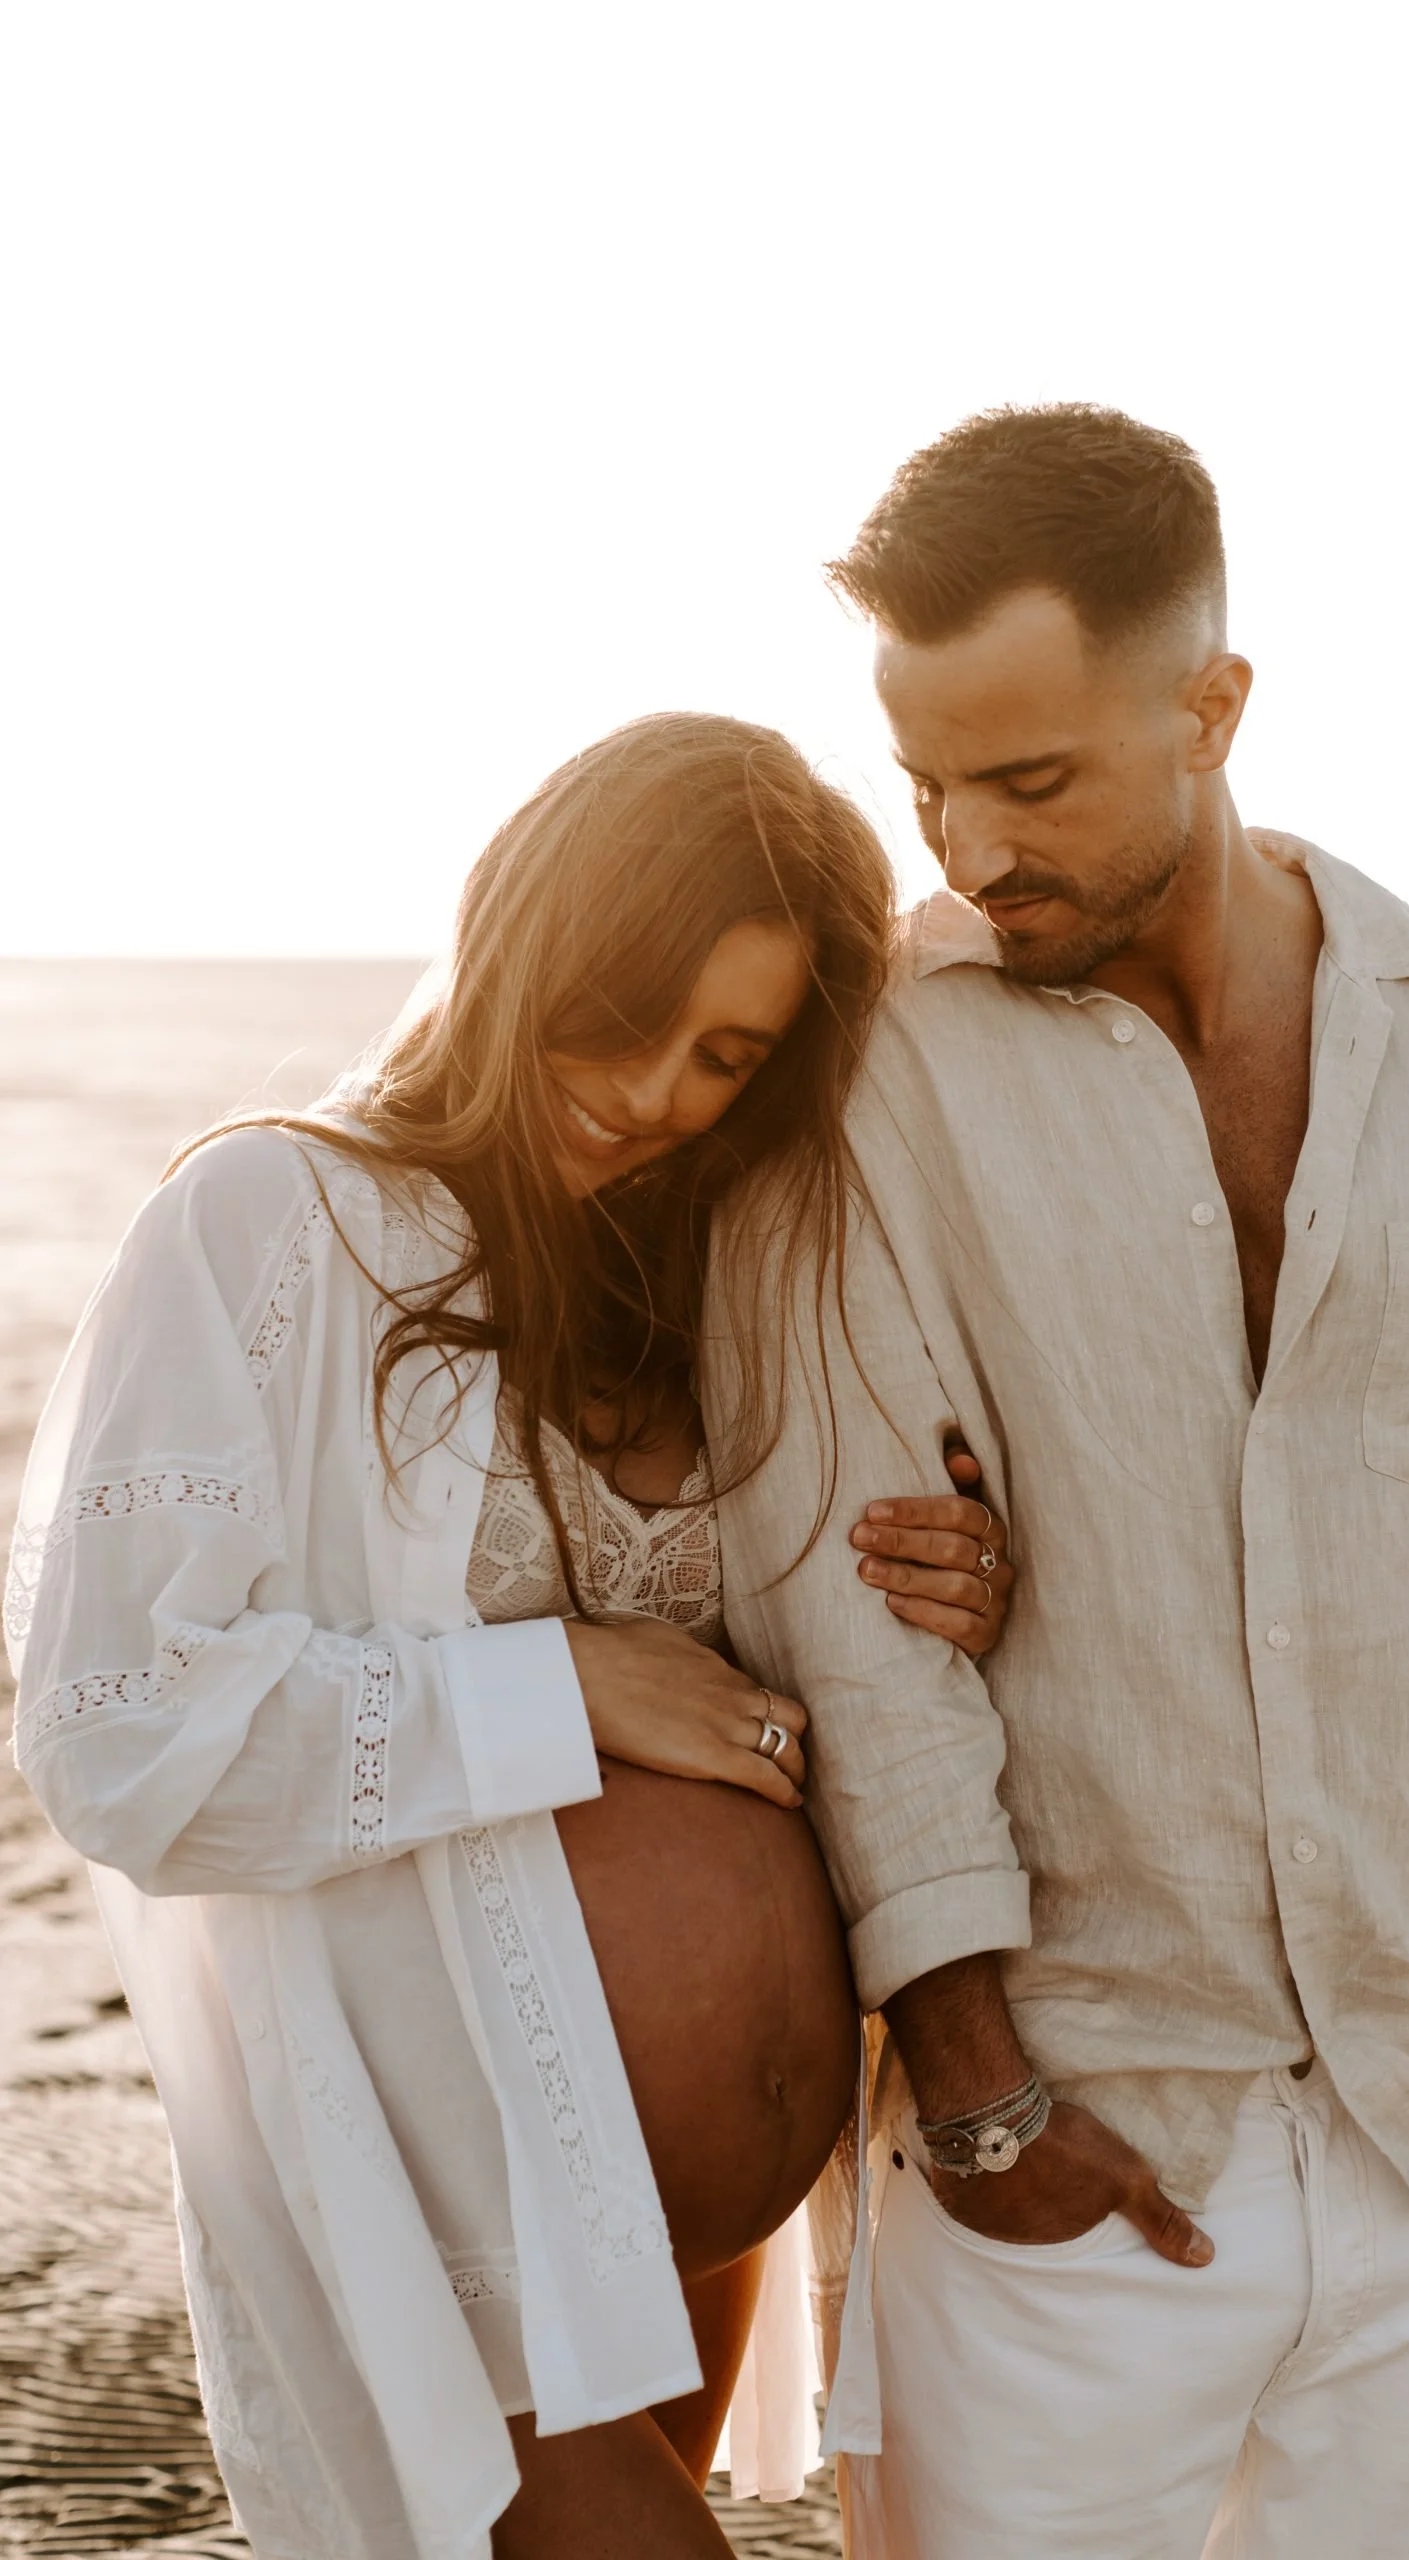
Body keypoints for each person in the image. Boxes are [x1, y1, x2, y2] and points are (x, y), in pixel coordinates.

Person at [705, 406, 1409, 2558]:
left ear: (1211, 704)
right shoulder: (870, 1063)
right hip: (1062, 2131)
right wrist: (972, 2078)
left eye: (1030, 779)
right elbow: (844, 1592)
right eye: (923, 780)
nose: (966, 843)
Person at [4, 712, 1017, 2560]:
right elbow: (117, 1730)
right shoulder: (275, 1219)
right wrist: (561, 1685)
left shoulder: (702, 1264)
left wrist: (968, 1579)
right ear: (519, 927)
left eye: (726, 1056)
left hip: (687, 2227)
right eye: (623, 1017)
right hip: (446, 2187)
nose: (649, 1095)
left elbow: (788, 1648)